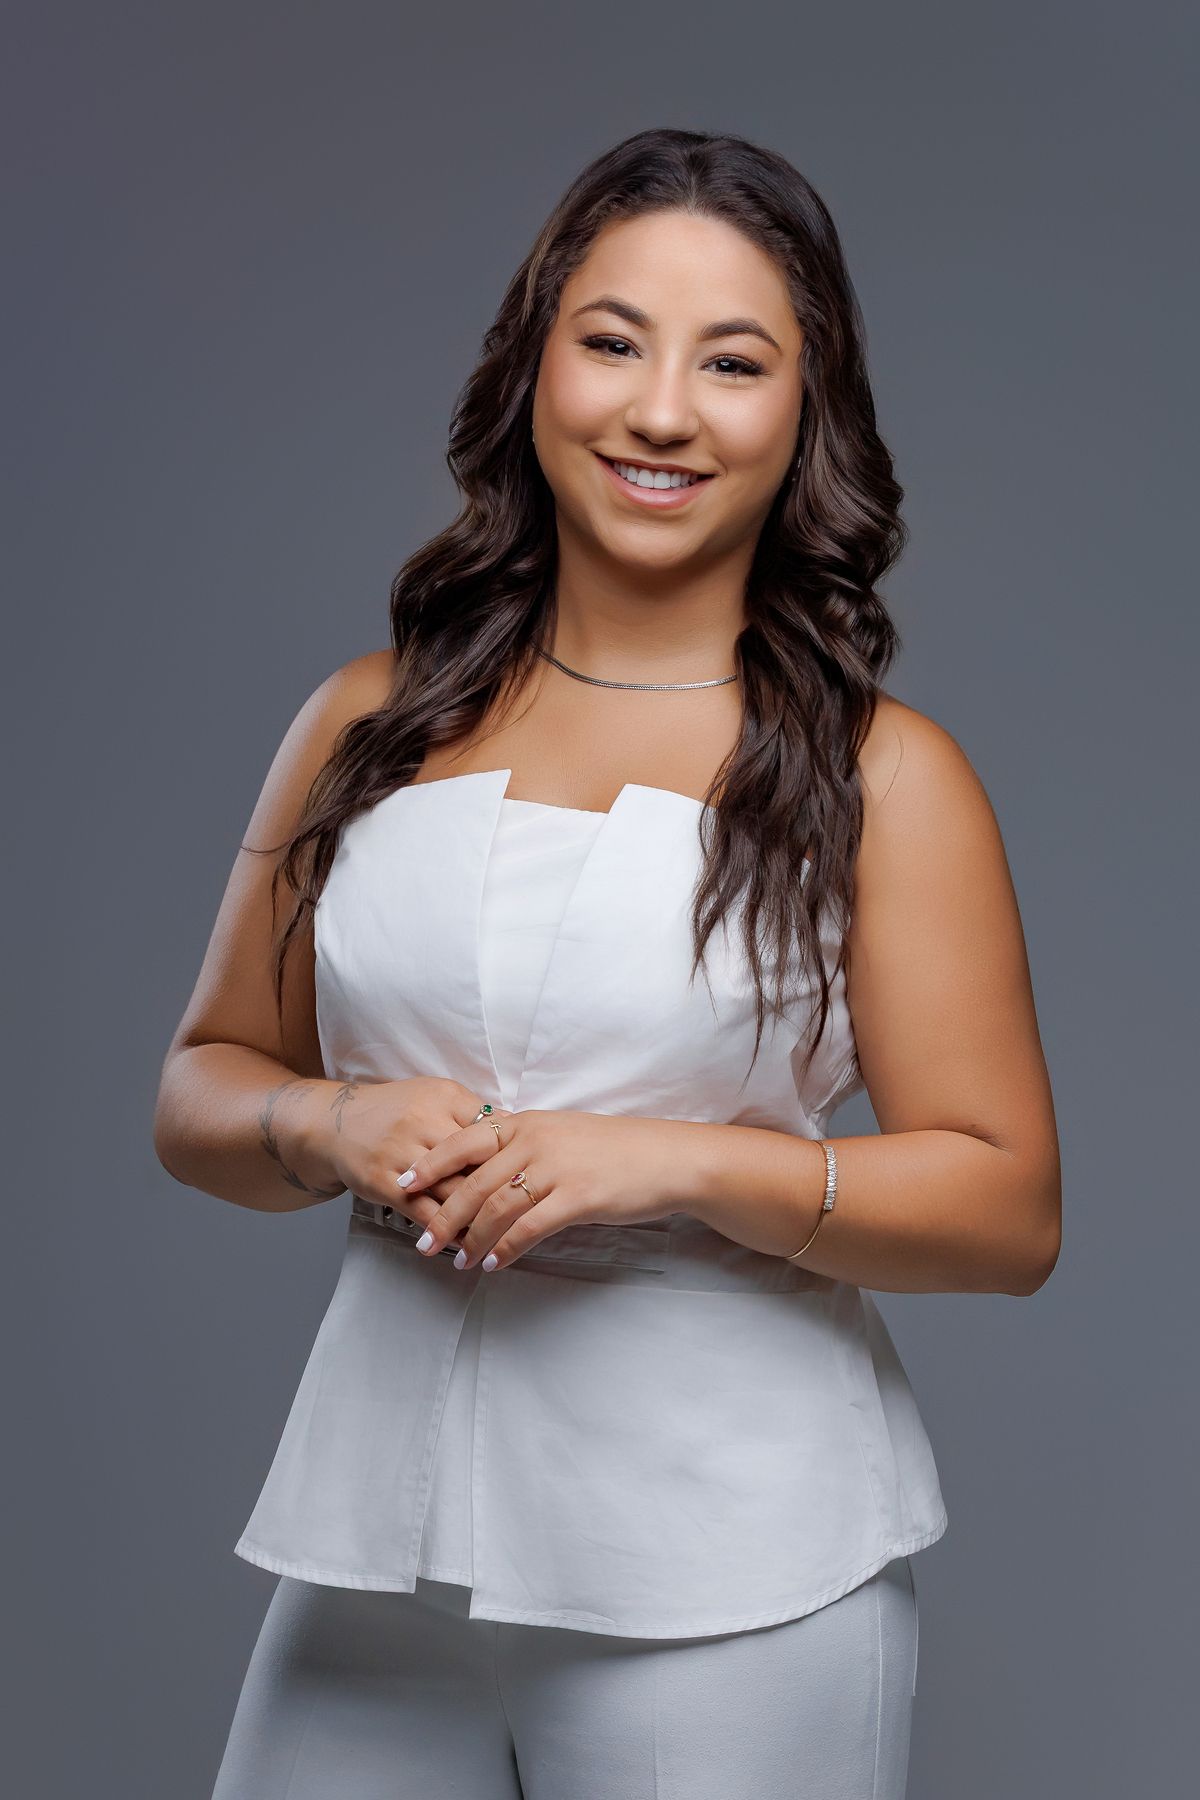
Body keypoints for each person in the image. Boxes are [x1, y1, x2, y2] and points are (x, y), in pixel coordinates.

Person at [155, 128, 1061, 1799]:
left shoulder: (885, 777)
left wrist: (672, 1160)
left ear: (807, 412)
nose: (661, 412)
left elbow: (1009, 1211)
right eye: (615, 341)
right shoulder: (365, 719)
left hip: (735, 1570)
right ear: (534, 366)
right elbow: (202, 1087)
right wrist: (328, 1124)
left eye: (733, 362)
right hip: (374, 1539)